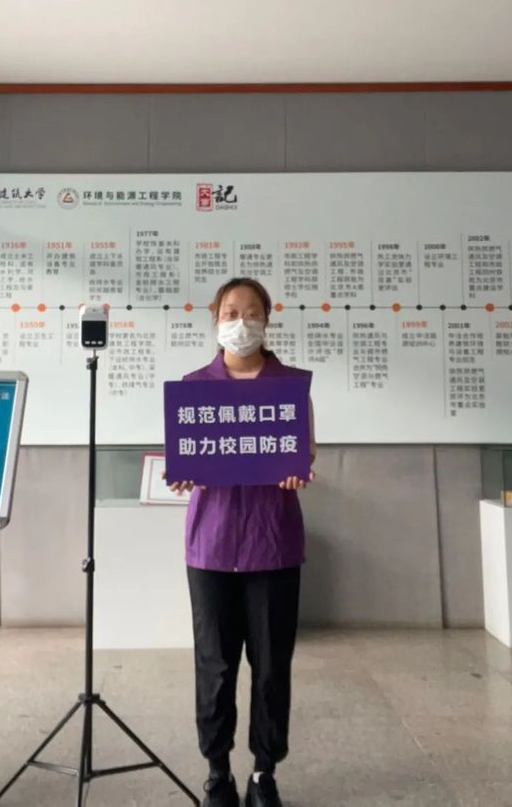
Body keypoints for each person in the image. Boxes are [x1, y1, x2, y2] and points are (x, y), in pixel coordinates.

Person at [167, 277, 316, 807]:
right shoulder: (194, 388)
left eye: (252, 312)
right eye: (231, 311)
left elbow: (305, 451)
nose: (242, 322)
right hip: (211, 546)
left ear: (267, 320)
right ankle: (217, 772)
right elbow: (186, 456)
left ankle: (263, 773)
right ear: (215, 317)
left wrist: (299, 468)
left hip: (273, 544)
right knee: (215, 663)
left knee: (272, 665)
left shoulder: (289, 387)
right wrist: (182, 473)